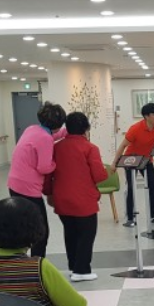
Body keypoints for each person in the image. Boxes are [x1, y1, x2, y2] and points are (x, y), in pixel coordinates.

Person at [48, 112, 107, 282]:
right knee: (86, 235)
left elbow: (48, 174)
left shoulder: (56, 147)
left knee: (70, 233)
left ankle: (73, 266)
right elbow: (99, 175)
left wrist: (49, 193)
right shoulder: (90, 148)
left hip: (61, 198)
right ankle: (82, 270)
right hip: (84, 200)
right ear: (86, 128)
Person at [7, 102, 67, 257]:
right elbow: (44, 167)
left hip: (14, 184)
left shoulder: (32, 129)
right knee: (41, 231)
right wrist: (56, 163)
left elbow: (51, 136)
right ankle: (36, 264)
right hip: (28, 189)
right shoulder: (45, 139)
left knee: (24, 226)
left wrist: (66, 132)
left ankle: (19, 260)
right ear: (59, 124)